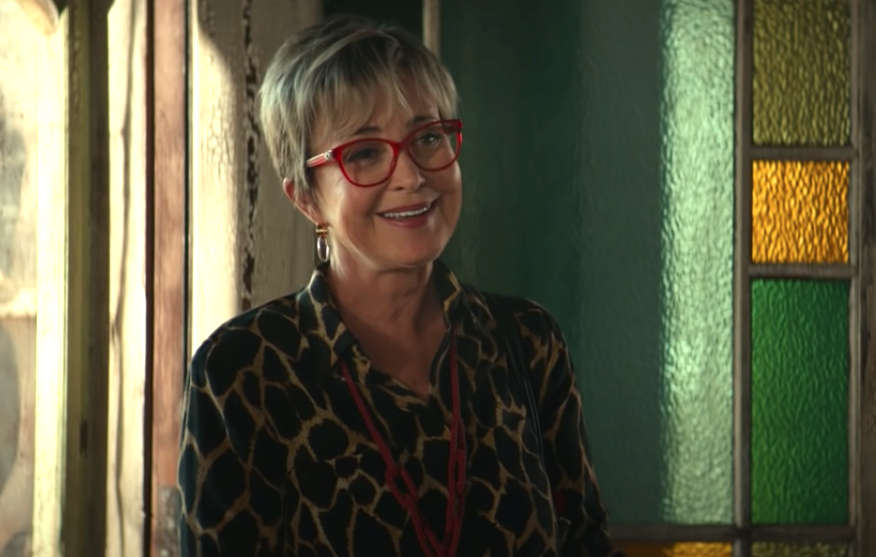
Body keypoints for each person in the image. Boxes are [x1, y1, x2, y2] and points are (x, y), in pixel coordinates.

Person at [178, 14, 623, 557]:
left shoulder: (526, 342)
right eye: (365, 152)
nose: (411, 175)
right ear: (306, 197)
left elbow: (586, 544)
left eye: (427, 137)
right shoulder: (242, 370)